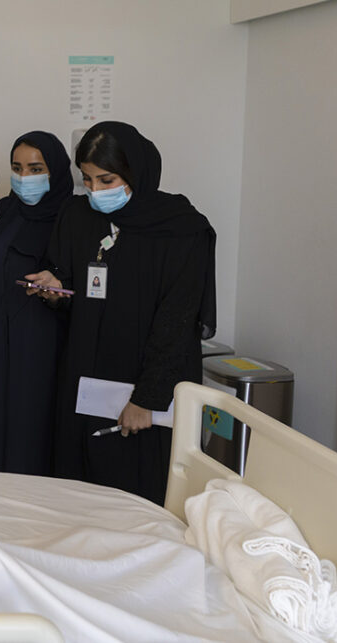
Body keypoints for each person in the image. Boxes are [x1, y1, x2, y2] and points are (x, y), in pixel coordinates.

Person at [24, 121, 216, 505]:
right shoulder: (79, 216)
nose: (95, 191)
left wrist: (146, 399)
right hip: (86, 376)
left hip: (143, 388)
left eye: (106, 179)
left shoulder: (181, 229)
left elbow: (177, 322)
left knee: (136, 491)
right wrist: (54, 287)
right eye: (87, 179)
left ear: (136, 171)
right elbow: (70, 281)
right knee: (78, 487)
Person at [0, 131, 72, 475]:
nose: (25, 178)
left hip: (44, 350)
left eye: (36, 169)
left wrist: (58, 292)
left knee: (36, 434)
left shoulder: (73, 218)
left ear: (56, 171)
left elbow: (84, 288)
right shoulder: (2, 213)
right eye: (17, 168)